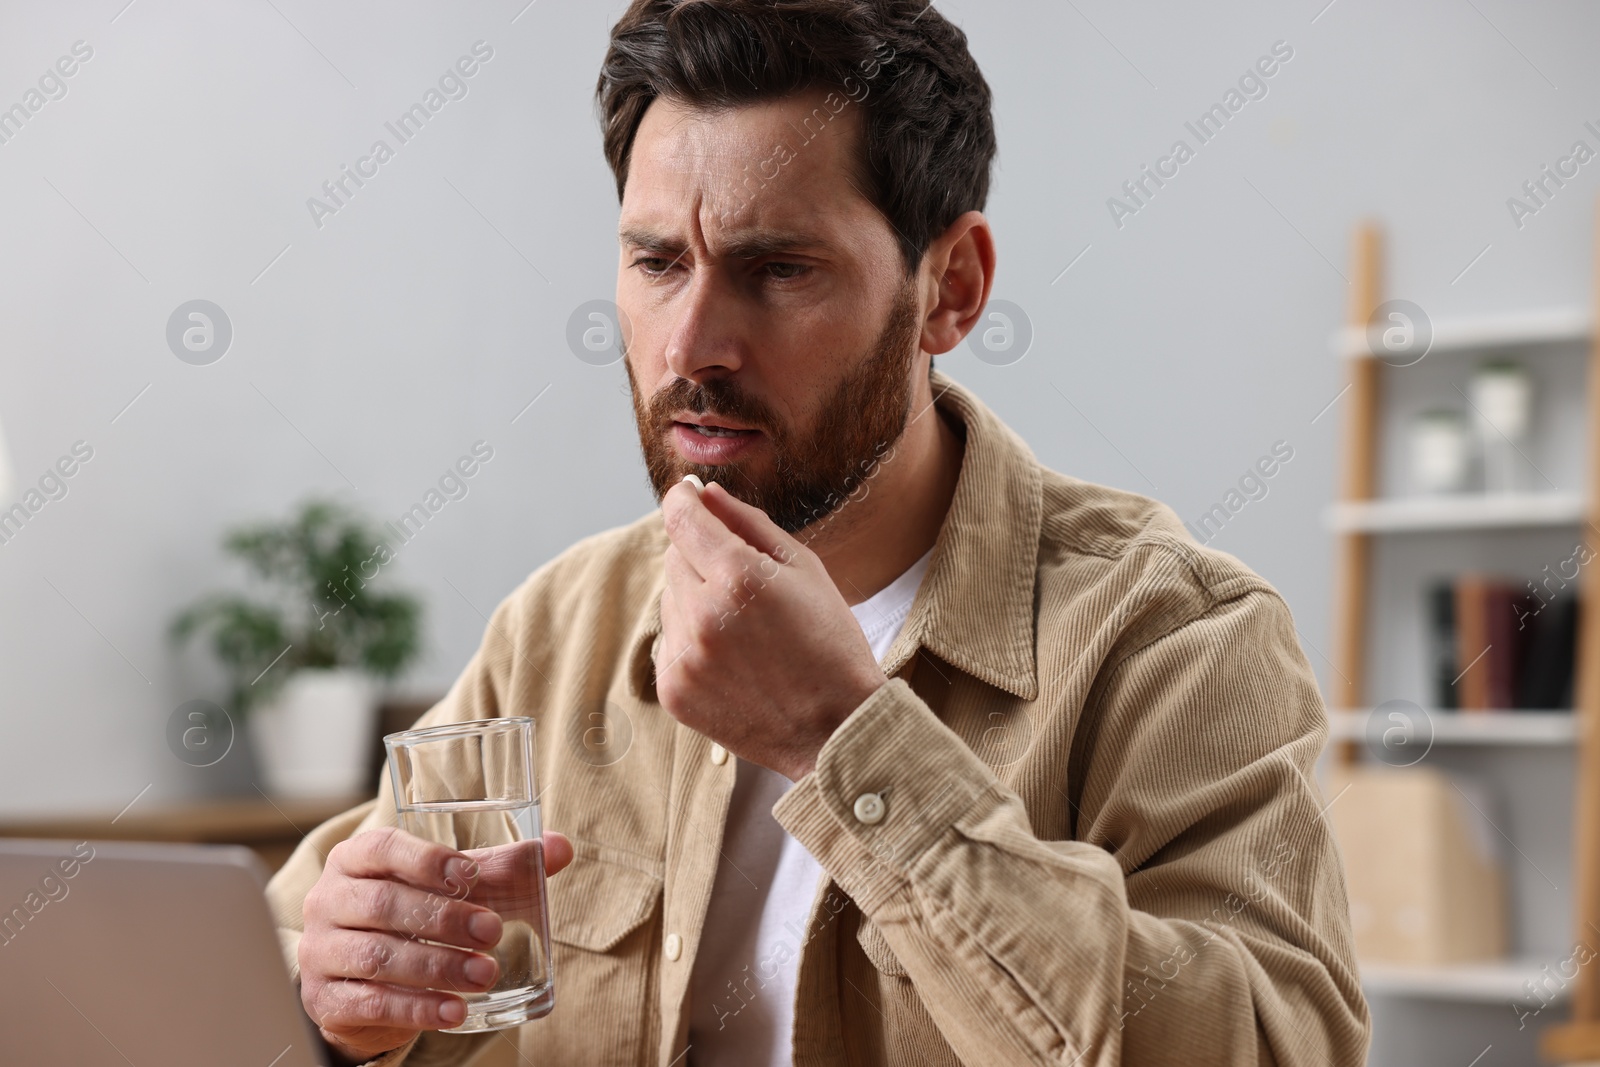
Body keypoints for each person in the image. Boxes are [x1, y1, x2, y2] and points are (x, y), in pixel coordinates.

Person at [265, 1, 1370, 1064]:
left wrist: (846, 742)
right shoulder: (560, 624)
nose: (690, 345)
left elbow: (1274, 1045)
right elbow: (279, 950)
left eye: (777, 269)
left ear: (952, 287)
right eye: (657, 263)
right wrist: (338, 1005)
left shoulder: (1173, 638)